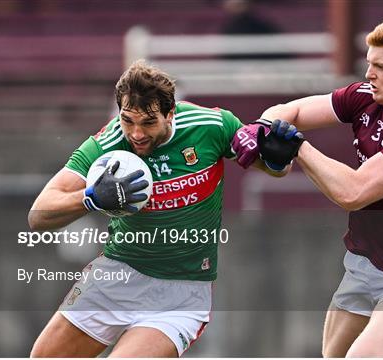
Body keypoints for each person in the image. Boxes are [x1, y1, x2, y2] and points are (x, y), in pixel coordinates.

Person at [28, 59, 283, 357]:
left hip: (181, 293)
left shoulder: (212, 126)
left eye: (148, 122)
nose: (136, 134)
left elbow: (273, 169)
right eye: (127, 121)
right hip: (116, 276)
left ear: (170, 113)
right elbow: (39, 215)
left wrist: (278, 159)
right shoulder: (108, 143)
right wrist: (90, 197)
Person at [243, 20, 383, 357]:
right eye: (370, 63)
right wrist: (263, 128)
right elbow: (294, 110)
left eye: (382, 67)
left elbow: (353, 193)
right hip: (364, 264)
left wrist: (296, 146)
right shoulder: (364, 97)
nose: (369, 73)